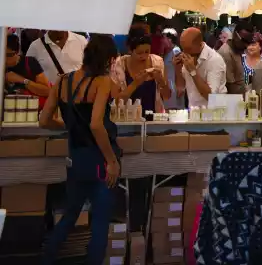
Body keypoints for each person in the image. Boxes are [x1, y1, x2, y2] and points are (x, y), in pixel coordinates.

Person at [39, 35, 121, 265]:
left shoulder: (62, 80)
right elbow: (96, 123)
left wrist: (68, 125)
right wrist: (111, 161)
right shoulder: (102, 82)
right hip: (98, 159)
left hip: (74, 157)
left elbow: (44, 120)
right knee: (100, 221)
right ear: (109, 59)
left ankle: (47, 259)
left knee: (70, 214)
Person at [111, 28, 171, 115]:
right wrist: (135, 83)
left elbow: (167, 96)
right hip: (127, 119)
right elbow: (115, 102)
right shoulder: (119, 64)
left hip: (153, 119)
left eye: (147, 52)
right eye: (139, 53)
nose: (144, 56)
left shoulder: (157, 62)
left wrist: (161, 81)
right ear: (130, 50)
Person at [174, 28, 226, 108]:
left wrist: (193, 71)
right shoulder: (188, 57)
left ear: (200, 44)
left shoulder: (214, 60)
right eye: (183, 48)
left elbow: (211, 97)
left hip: (213, 114)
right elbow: (180, 88)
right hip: (194, 113)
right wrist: (177, 69)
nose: (185, 52)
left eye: (188, 49)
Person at [4, 33, 50, 99]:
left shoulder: (29, 62)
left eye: (8, 55)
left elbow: (46, 91)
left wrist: (23, 80)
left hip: (27, 106)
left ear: (17, 52)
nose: (3, 58)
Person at [218, 21, 254, 94]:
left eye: (249, 42)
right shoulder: (226, 53)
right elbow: (230, 87)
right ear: (235, 34)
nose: (246, 45)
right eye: (244, 40)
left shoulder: (242, 49)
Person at [162, 28, 185, 110]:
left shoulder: (176, 51)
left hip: (175, 87)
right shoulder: (167, 51)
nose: (162, 41)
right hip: (168, 86)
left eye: (163, 38)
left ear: (169, 39)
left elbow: (180, 68)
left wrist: (180, 86)